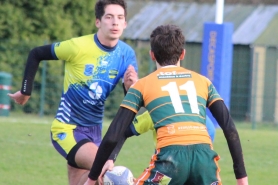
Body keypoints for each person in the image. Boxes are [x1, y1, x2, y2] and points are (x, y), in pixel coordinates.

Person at [84, 24, 249, 185]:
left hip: (170, 160)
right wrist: (242, 178)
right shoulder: (204, 82)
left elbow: (114, 133)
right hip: (205, 159)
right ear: (183, 54)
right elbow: (229, 128)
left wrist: (92, 179)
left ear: (152, 55)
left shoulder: (141, 86)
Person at [8, 0, 139, 184]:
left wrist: (130, 87)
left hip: (95, 133)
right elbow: (36, 53)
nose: (115, 22)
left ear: (125, 23)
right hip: (67, 128)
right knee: (108, 173)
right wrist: (25, 91)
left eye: (120, 18)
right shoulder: (78, 46)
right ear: (98, 22)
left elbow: (131, 102)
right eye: (109, 17)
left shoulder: (127, 54)